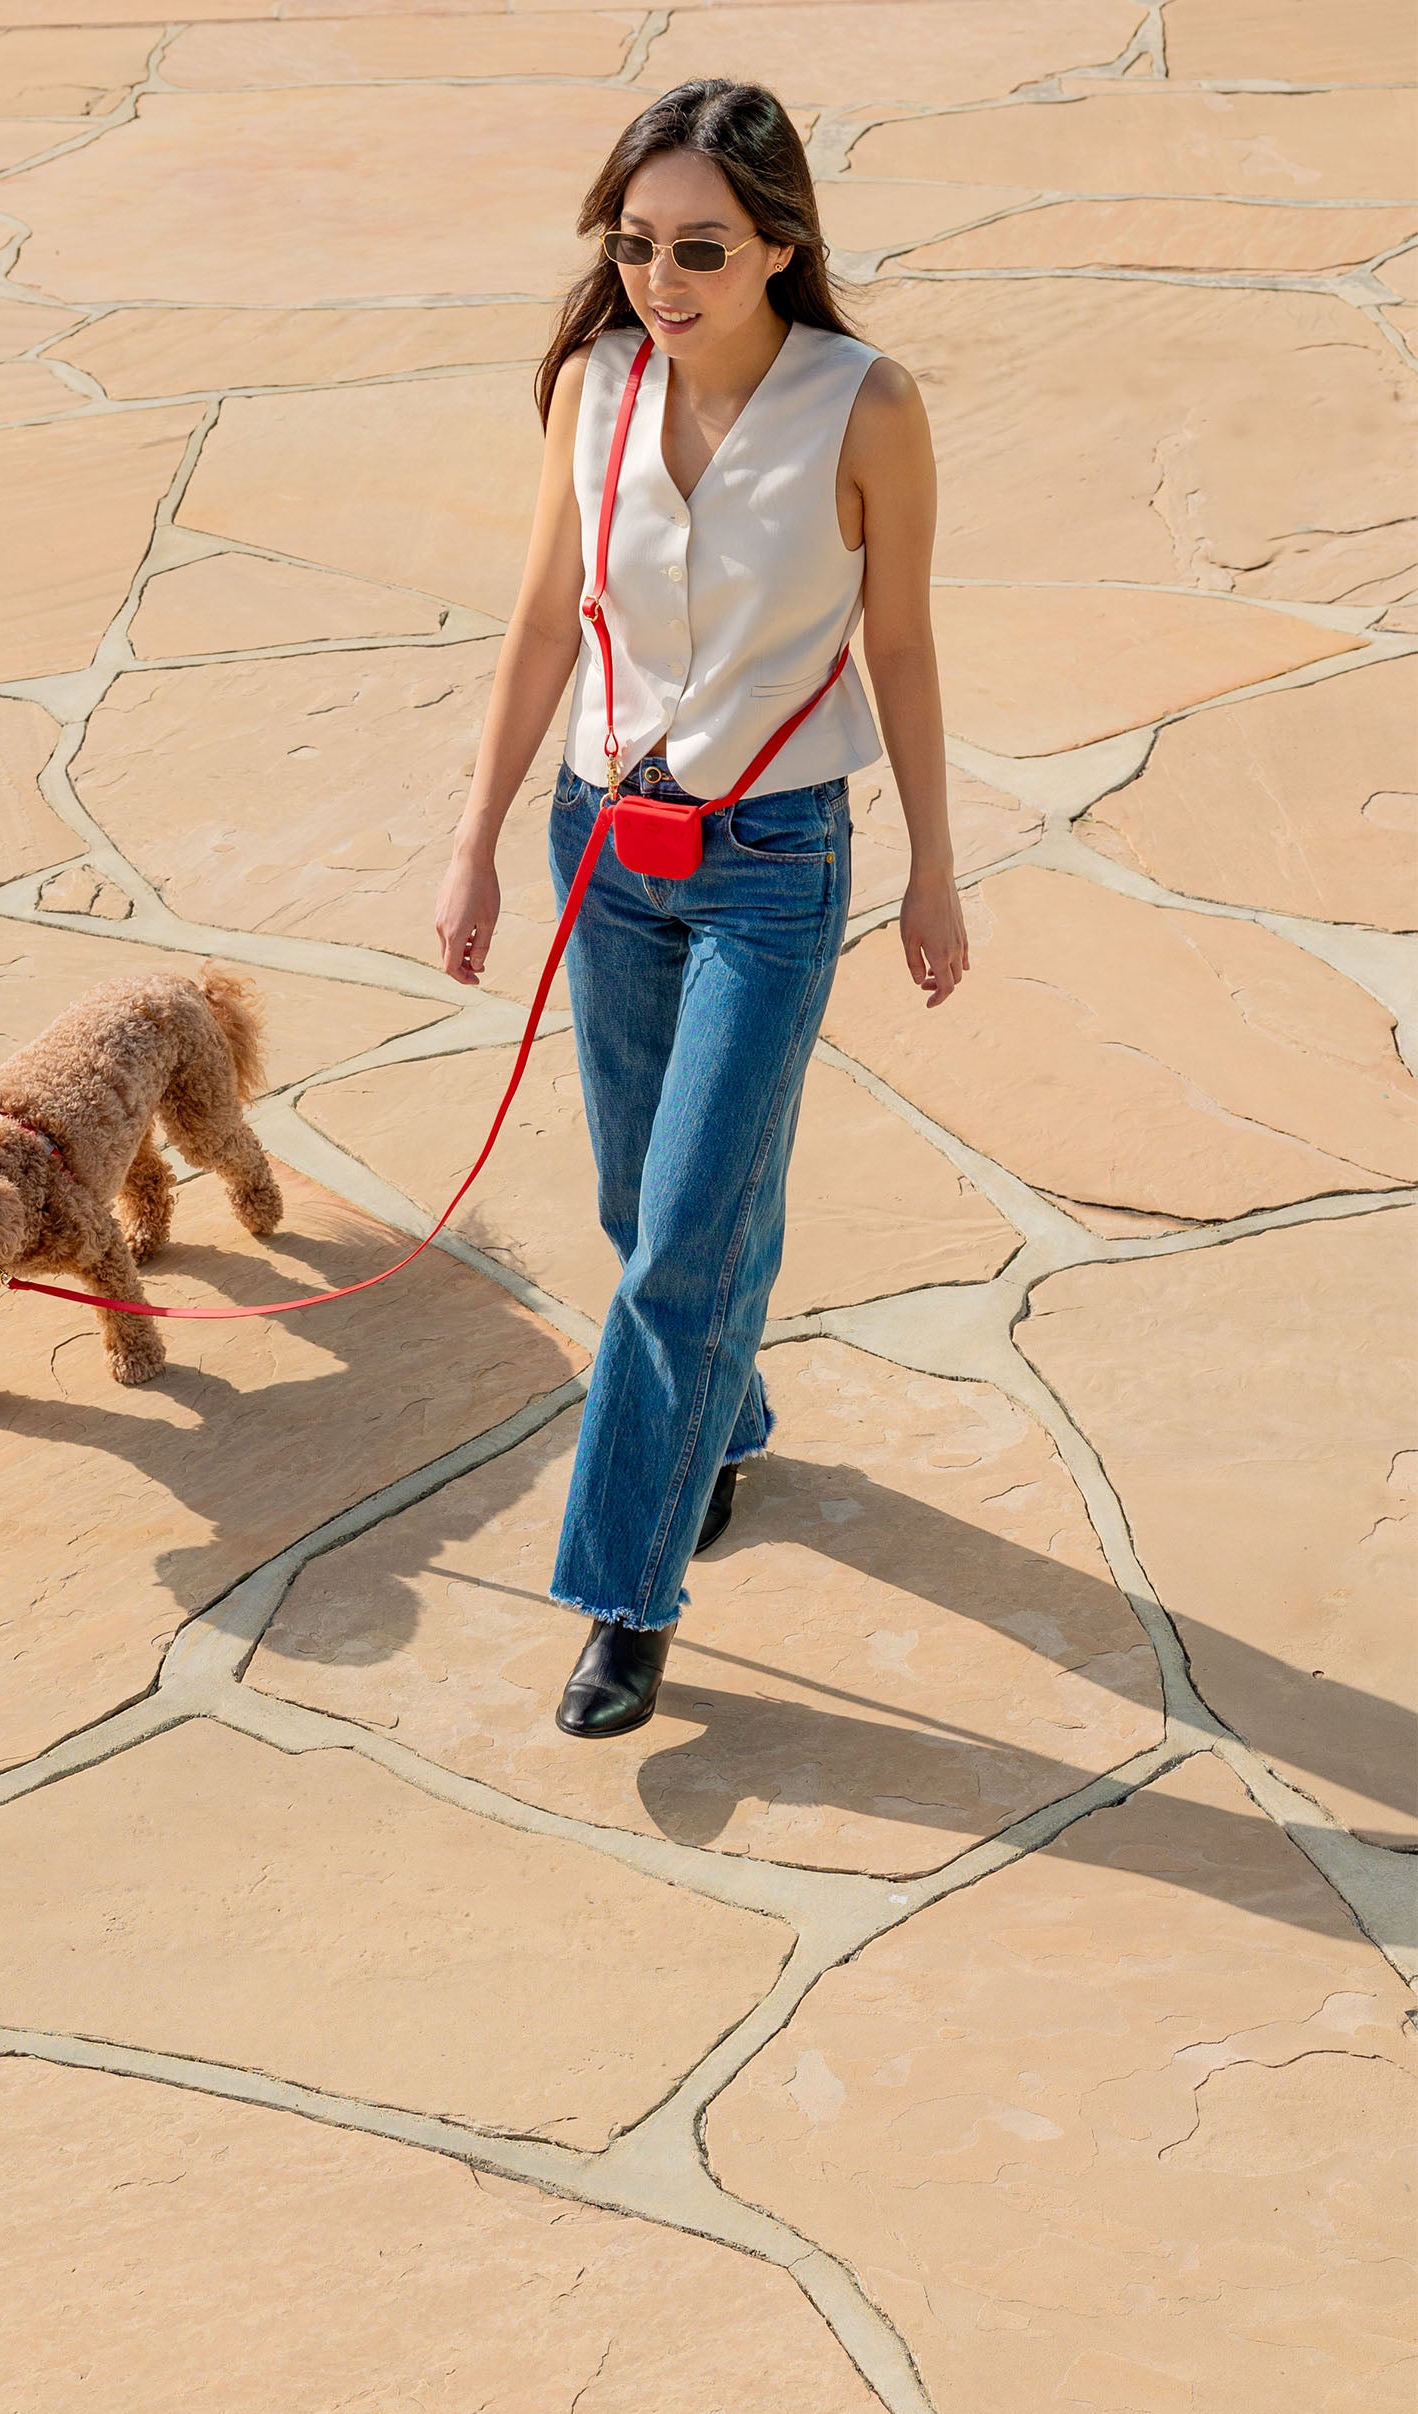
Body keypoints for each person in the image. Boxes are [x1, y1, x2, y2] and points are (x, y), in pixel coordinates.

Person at [433, 79, 969, 1739]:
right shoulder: (593, 388)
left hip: (773, 864)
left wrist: (937, 869)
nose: (661, 280)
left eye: (702, 250)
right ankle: (720, 1420)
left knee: (677, 1244)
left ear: (782, 245)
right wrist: (475, 839)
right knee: (640, 1199)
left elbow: (901, 649)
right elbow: (540, 624)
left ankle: (622, 1599)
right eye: (637, 244)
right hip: (603, 844)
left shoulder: (864, 408)